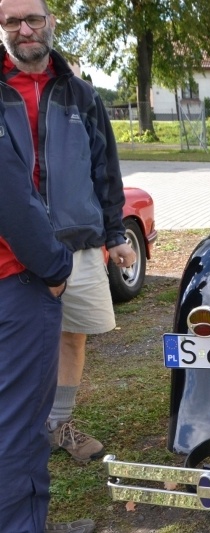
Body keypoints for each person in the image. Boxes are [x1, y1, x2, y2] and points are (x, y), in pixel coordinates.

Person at [0, 0, 135, 469]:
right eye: (12, 21)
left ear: (51, 22)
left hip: (76, 242)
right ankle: (18, 427)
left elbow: (104, 168)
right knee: (15, 342)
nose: (24, 29)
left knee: (73, 336)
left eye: (33, 19)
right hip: (12, 247)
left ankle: (59, 423)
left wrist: (115, 234)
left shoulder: (81, 94)